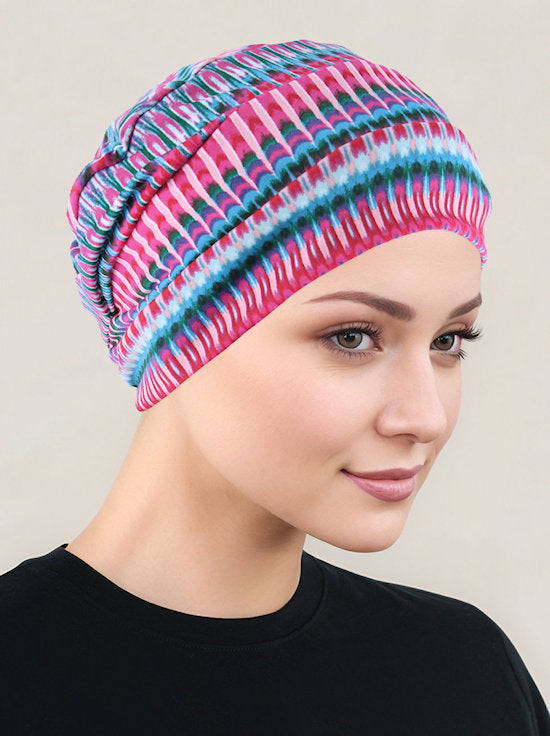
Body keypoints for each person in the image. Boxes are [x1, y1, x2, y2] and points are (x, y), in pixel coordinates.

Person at [1, 38, 548, 734]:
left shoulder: (464, 672)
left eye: (448, 342)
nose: (427, 416)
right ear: (181, 333)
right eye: (353, 337)